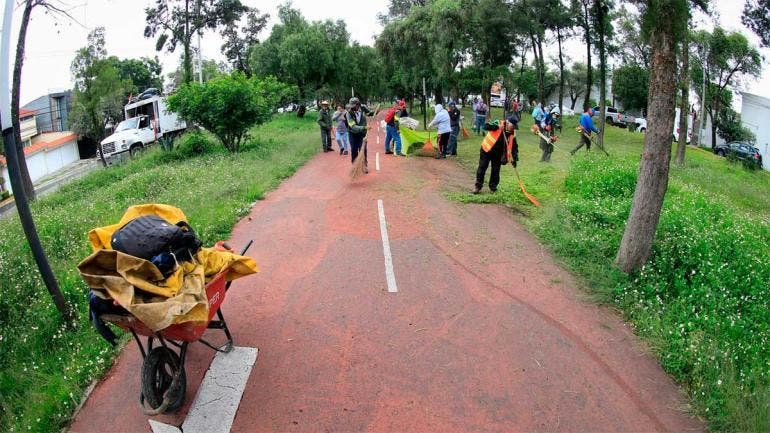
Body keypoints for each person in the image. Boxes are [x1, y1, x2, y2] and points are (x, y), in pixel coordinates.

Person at [473, 117, 519, 194]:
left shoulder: (512, 133)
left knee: (496, 170)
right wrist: (497, 127)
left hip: (498, 153)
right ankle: (478, 186)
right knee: (482, 167)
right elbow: (485, 126)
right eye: (513, 126)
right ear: (508, 123)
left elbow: (514, 147)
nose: (513, 128)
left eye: (514, 127)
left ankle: (493, 187)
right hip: (487, 149)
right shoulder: (498, 122)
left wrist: (515, 159)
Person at [346, 97, 374, 172]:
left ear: (358, 104)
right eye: (351, 105)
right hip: (353, 134)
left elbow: (370, 113)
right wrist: (364, 127)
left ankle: (364, 165)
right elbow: (353, 126)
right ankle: (354, 166)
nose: (352, 107)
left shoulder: (363, 108)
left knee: (363, 149)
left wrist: (375, 112)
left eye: (354, 105)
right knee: (354, 150)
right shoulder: (348, 113)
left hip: (362, 134)